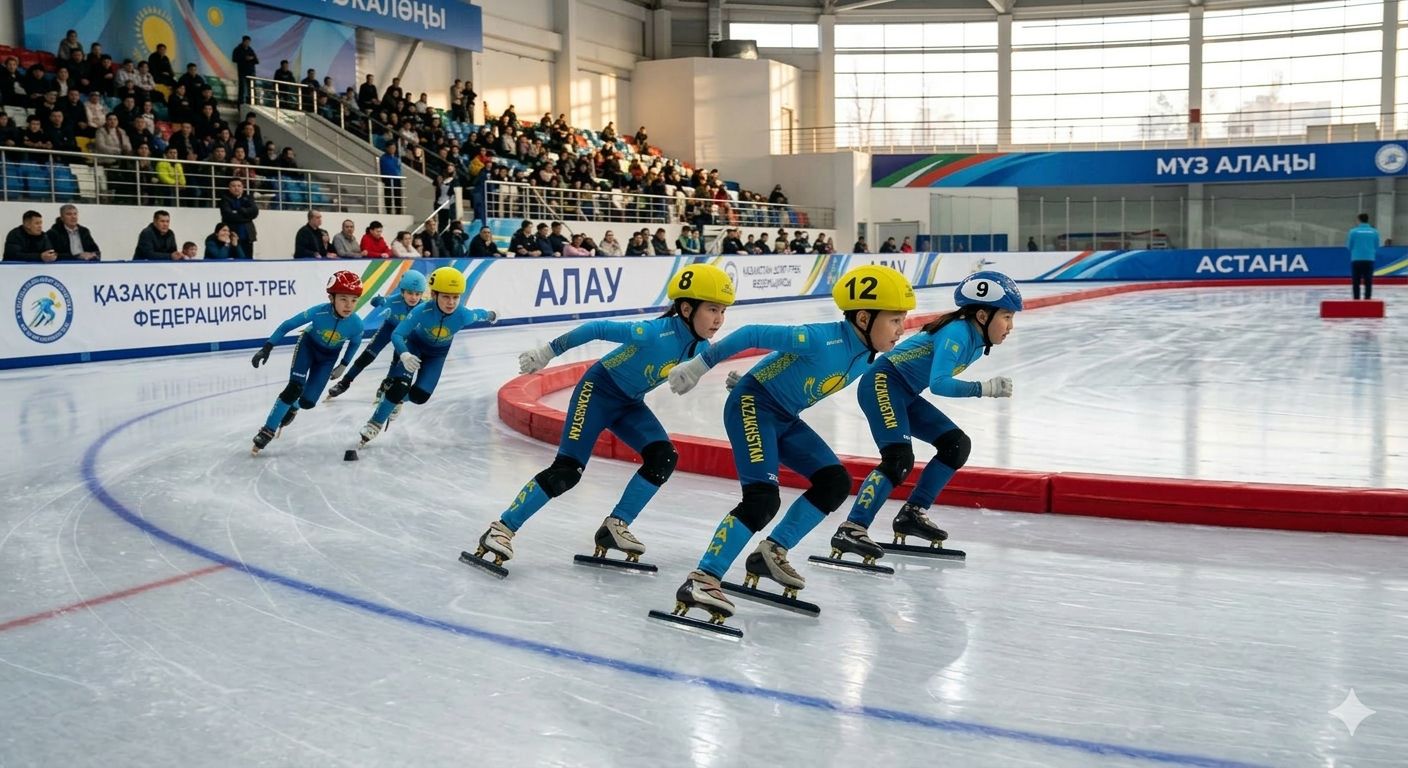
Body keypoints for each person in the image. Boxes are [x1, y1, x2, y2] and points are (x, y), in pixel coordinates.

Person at [657, 265, 915, 630]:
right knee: (762, 498)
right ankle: (702, 579)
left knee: (834, 482)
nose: (902, 330)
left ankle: (771, 552)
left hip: (782, 414)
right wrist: (701, 365)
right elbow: (751, 333)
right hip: (753, 406)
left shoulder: (864, 353)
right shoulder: (821, 338)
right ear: (863, 317)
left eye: (903, 320)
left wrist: (754, 376)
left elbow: (790, 371)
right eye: (894, 320)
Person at [468, 265, 736, 573]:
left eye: (723, 311)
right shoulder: (651, 333)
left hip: (628, 403)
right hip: (596, 393)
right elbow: (595, 328)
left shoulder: (701, 347)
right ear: (687, 309)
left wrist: (739, 384)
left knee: (663, 457)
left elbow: (706, 364)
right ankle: (501, 529)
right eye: (713, 309)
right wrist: (548, 352)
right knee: (567, 471)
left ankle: (615, 526)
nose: (719, 319)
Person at [831, 271, 1021, 568]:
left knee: (955, 445)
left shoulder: (974, 335)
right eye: (1007, 317)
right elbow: (940, 383)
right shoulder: (958, 333)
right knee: (898, 459)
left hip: (903, 391)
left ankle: (912, 514)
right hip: (882, 383)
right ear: (983, 315)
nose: (1010, 326)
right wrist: (984, 389)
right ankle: (851, 528)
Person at [354, 267, 497, 447]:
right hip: (415, 346)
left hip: (437, 356)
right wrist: (404, 354)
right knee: (399, 386)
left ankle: (394, 400)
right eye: (446, 296)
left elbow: (481, 314)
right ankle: (374, 422)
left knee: (420, 396)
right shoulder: (422, 310)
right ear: (435, 295)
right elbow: (397, 334)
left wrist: (493, 315)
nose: (451, 302)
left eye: (455, 297)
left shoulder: (463, 315)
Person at [249, 271, 367, 454]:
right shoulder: (318, 312)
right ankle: (267, 430)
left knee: (308, 402)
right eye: (343, 299)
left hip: (328, 358)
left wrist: (343, 365)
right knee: (294, 387)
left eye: (353, 300)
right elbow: (287, 325)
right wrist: (267, 347)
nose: (348, 305)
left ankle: (293, 407)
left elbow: (355, 343)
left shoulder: (357, 324)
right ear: (331, 297)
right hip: (308, 347)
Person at [326, 270, 426, 401]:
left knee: (398, 359)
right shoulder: (392, 301)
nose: (413, 297)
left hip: (405, 335)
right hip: (388, 329)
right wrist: (377, 301)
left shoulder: (424, 307)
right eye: (410, 293)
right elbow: (374, 301)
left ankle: (387, 383)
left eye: (417, 294)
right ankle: (344, 382)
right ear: (402, 292)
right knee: (367, 356)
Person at [219, 179, 259, 258]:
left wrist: (240, 211)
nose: (236, 188)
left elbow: (255, 212)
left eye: (239, 186)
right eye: (233, 186)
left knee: (248, 261)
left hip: (247, 237)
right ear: (229, 188)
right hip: (231, 237)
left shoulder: (248, 198)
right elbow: (228, 215)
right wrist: (247, 217)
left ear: (242, 188)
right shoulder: (224, 199)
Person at [1347, 213, 1380, 301]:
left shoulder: (1353, 232)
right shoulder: (1374, 232)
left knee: (1356, 281)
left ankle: (1356, 299)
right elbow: (1377, 246)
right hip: (1369, 259)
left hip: (1356, 259)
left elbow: (1349, 246)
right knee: (1368, 280)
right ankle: (1367, 299)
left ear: (1359, 220)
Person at [232, 35, 259, 106]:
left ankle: (252, 103)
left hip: (251, 72)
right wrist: (244, 58)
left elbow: (257, 61)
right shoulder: (237, 49)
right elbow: (234, 59)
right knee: (242, 89)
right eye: (246, 42)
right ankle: (240, 104)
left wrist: (251, 58)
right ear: (243, 41)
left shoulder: (250, 50)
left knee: (252, 89)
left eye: (249, 42)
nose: (248, 43)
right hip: (242, 72)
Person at [380, 143, 403, 214]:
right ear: (387, 148)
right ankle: (389, 211)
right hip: (388, 179)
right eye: (391, 148)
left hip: (397, 179)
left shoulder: (396, 158)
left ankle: (398, 211)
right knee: (388, 195)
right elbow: (384, 169)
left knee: (398, 195)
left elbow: (399, 168)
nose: (393, 149)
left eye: (394, 148)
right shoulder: (383, 158)